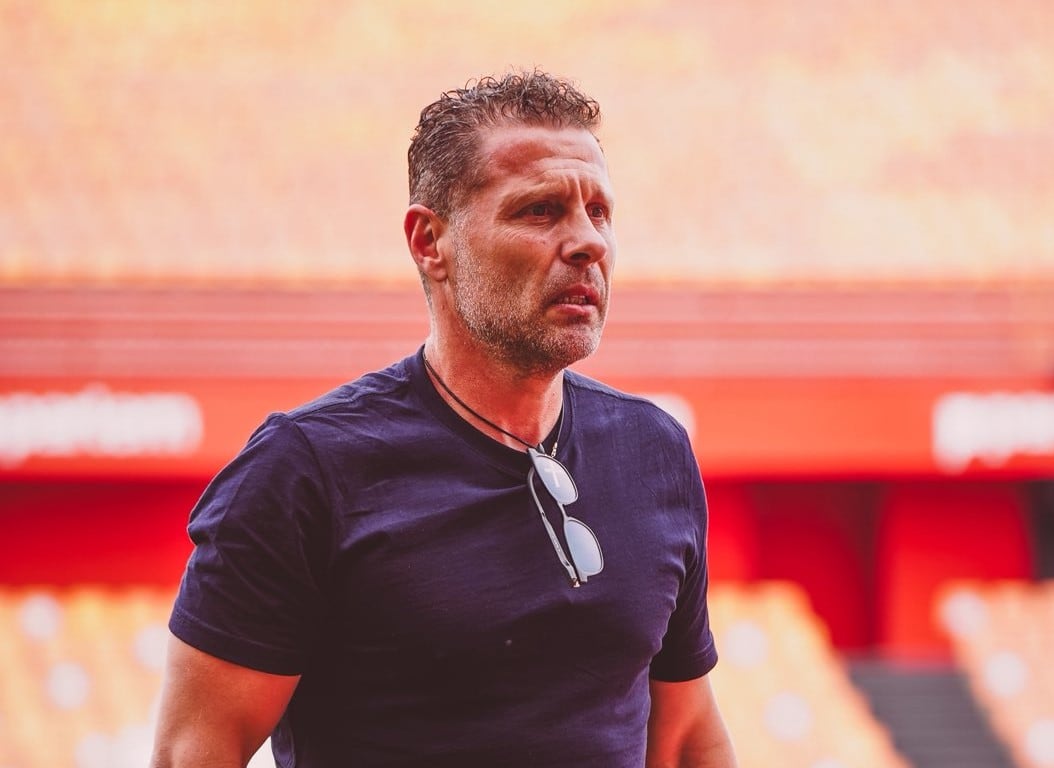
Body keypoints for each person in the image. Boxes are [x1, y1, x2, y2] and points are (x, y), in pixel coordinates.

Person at [150, 70, 737, 768]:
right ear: (430, 242)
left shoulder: (654, 450)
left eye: (600, 212)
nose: (589, 243)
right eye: (541, 210)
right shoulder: (304, 469)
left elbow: (684, 734)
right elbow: (193, 753)